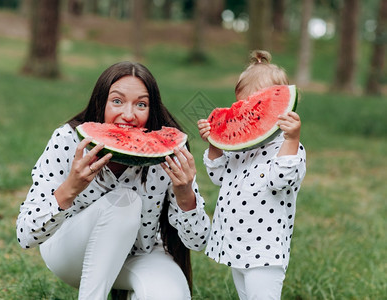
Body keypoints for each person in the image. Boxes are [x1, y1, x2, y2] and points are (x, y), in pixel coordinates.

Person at [16, 61, 211, 300]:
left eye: (141, 104)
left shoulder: (166, 154)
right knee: (125, 201)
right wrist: (70, 188)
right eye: (117, 101)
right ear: (100, 103)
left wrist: (185, 195)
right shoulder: (68, 140)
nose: (128, 115)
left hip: (140, 254)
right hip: (70, 253)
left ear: (152, 110)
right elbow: (25, 235)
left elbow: (199, 241)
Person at [197, 50, 306, 300]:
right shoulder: (241, 149)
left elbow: (281, 179)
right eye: (243, 106)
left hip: (264, 252)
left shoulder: (289, 149)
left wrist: (292, 138)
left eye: (259, 106)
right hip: (235, 246)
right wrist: (214, 142)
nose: (249, 112)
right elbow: (218, 176)